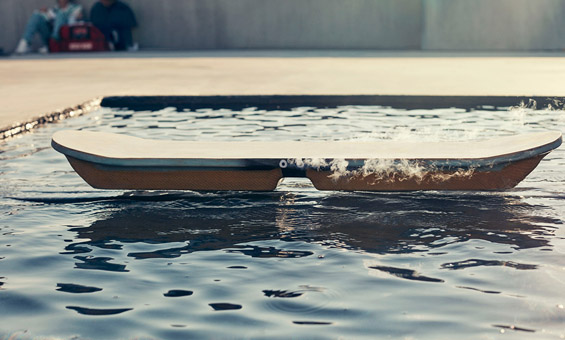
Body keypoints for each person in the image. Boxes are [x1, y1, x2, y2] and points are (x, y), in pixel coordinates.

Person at [15, 0, 83, 54]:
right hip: (49, 37)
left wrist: (65, 16)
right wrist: (43, 13)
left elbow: (74, 22)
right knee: (37, 15)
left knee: (61, 14)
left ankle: (53, 44)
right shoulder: (53, 9)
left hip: (62, 40)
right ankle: (25, 42)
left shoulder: (76, 8)